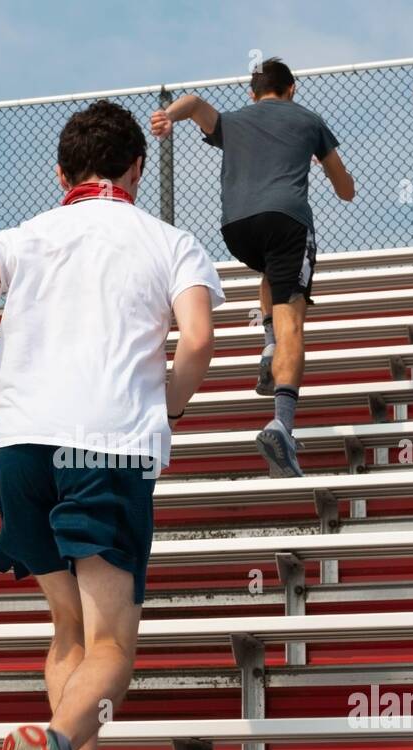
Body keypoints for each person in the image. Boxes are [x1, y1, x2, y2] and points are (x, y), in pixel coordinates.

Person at [0, 100, 223, 750]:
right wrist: (169, 404)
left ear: (61, 174)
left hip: (17, 445)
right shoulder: (169, 242)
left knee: (68, 628)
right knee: (113, 651)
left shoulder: (29, 235)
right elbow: (197, 339)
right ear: (136, 170)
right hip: (104, 444)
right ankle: (55, 746)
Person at [152, 57, 354, 478]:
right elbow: (345, 189)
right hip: (287, 220)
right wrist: (325, 165)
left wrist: (167, 116)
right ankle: (282, 422)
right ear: (292, 89)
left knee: (271, 271)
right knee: (292, 320)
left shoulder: (234, 120)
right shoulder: (308, 120)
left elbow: (194, 103)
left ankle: (266, 345)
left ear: (252, 93)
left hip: (236, 228)